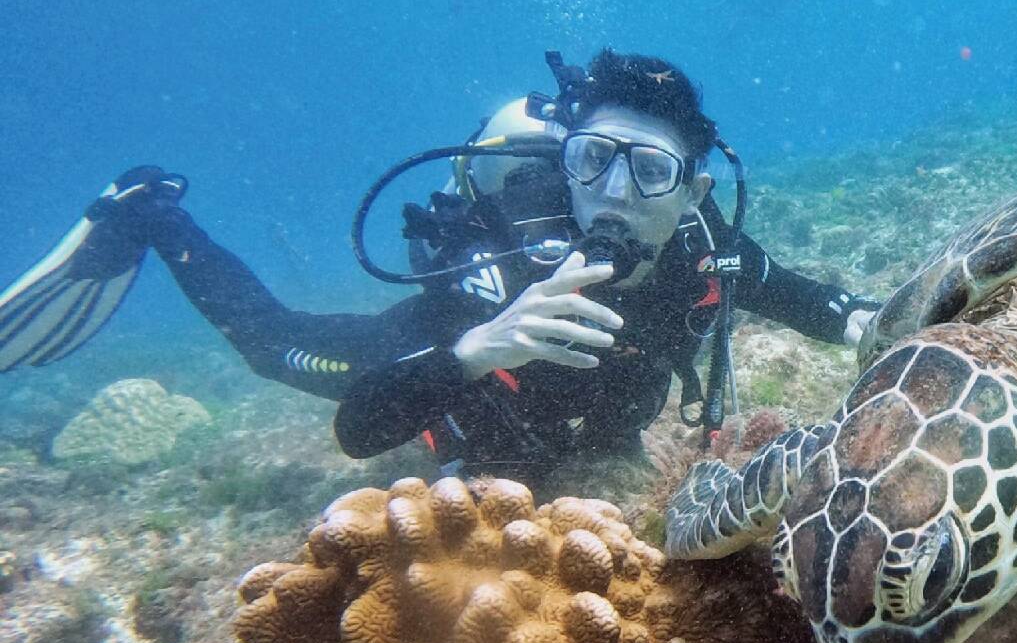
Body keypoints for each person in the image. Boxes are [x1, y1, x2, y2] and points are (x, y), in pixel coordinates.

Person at [0, 50, 879, 477]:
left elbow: (815, 304)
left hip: (578, 441)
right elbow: (359, 429)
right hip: (446, 388)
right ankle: (151, 216)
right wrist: (478, 347)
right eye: (591, 160)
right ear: (564, 162)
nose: (613, 194)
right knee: (275, 347)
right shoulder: (500, 262)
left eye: (649, 171)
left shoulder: (706, 250)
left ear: (691, 193)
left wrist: (886, 321)